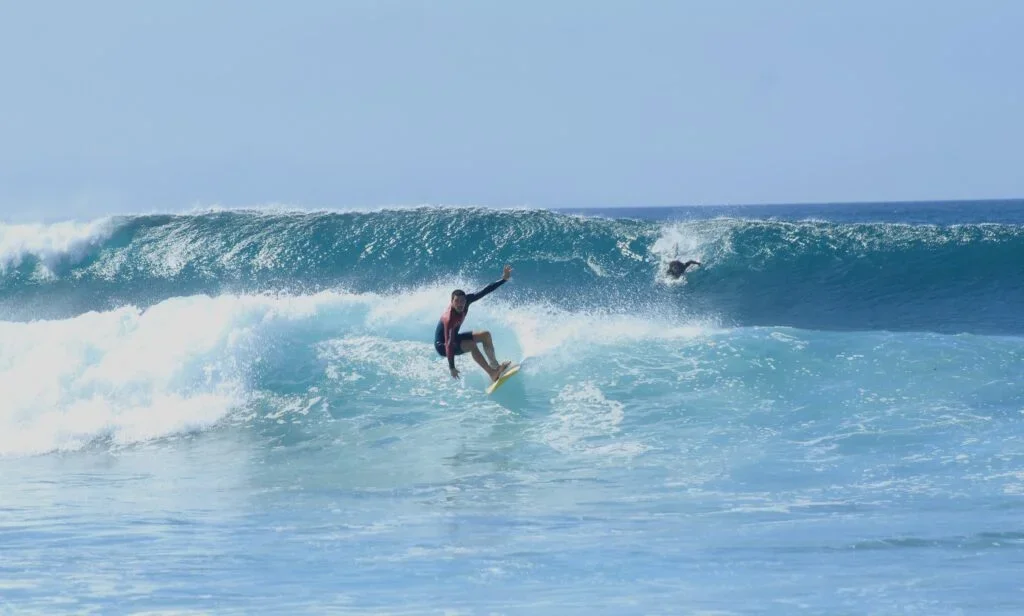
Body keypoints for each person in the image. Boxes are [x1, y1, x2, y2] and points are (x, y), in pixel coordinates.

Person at [435, 264, 513, 381]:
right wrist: (452, 367)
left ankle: (495, 366)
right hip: (443, 345)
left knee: (485, 335)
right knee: (471, 345)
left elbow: (485, 290)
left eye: (462, 301)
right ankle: (492, 373)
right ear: (451, 302)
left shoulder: (467, 301)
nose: (460, 304)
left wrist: (504, 279)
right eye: (457, 301)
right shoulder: (449, 318)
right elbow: (449, 343)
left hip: (454, 338)